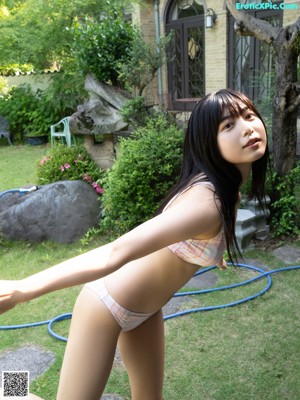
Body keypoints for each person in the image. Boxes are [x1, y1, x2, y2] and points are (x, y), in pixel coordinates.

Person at [0, 89, 269, 400]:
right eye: (228, 126)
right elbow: (117, 252)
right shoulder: (207, 201)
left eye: (249, 116)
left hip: (146, 311)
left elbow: (200, 235)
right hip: (105, 308)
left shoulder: (225, 187)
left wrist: (215, 252)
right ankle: (8, 388)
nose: (247, 128)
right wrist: (22, 290)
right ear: (209, 143)